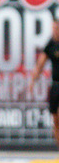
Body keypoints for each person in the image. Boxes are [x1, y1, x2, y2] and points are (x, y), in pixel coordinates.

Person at [27, 17, 59, 151]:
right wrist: (32, 81)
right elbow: (40, 64)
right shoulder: (51, 44)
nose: (55, 31)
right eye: (54, 29)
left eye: (57, 29)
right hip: (56, 85)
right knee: (56, 121)